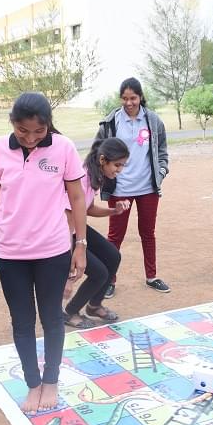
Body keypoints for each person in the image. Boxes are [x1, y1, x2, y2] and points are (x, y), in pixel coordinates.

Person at [0, 92, 87, 414]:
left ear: (49, 125)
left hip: (52, 250)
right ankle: (33, 383)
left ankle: (51, 380)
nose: (30, 138)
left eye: (39, 132)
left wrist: (80, 245)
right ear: (12, 123)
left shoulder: (63, 148)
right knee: (22, 321)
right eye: (22, 131)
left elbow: (77, 198)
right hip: (10, 254)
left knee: (52, 317)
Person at [95, 77, 170, 296]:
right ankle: (109, 280)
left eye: (133, 98)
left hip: (148, 188)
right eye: (125, 98)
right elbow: (98, 151)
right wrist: (105, 177)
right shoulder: (111, 122)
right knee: (115, 236)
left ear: (140, 97)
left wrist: (161, 173)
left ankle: (151, 276)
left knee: (148, 233)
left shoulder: (153, 121)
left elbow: (162, 151)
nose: (129, 103)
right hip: (120, 189)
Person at [63, 137, 130, 330]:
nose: (119, 170)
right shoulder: (82, 178)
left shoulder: (95, 175)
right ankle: (70, 312)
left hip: (77, 226)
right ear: (103, 160)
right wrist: (68, 270)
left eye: (123, 165)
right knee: (99, 273)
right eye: (117, 165)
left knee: (113, 256)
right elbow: (68, 222)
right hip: (64, 231)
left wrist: (114, 211)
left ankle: (94, 306)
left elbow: (88, 208)